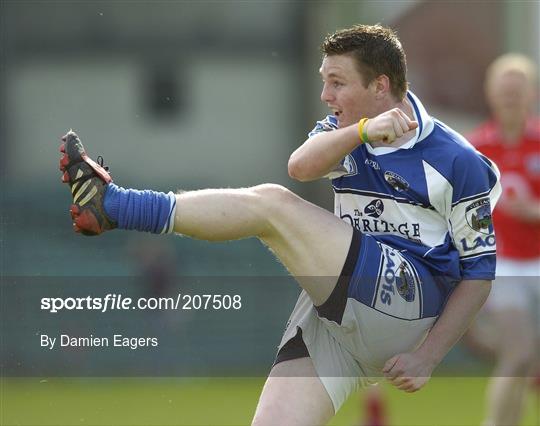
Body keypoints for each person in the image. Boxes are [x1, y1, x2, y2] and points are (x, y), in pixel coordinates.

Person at [59, 24, 501, 426]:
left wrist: (428, 357)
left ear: (380, 85)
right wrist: (361, 131)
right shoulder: (345, 130)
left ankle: (116, 207)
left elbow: (480, 273)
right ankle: (112, 207)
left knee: (271, 205)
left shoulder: (457, 160)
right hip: (339, 318)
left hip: (408, 303)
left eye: (337, 83)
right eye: (323, 81)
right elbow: (300, 166)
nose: (326, 95)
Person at [468, 53, 539, 426]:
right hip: (503, 264)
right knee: (519, 351)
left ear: (532, 94)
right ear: (490, 94)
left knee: (527, 359)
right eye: (504, 90)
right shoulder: (475, 150)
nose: (511, 97)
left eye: (518, 90)